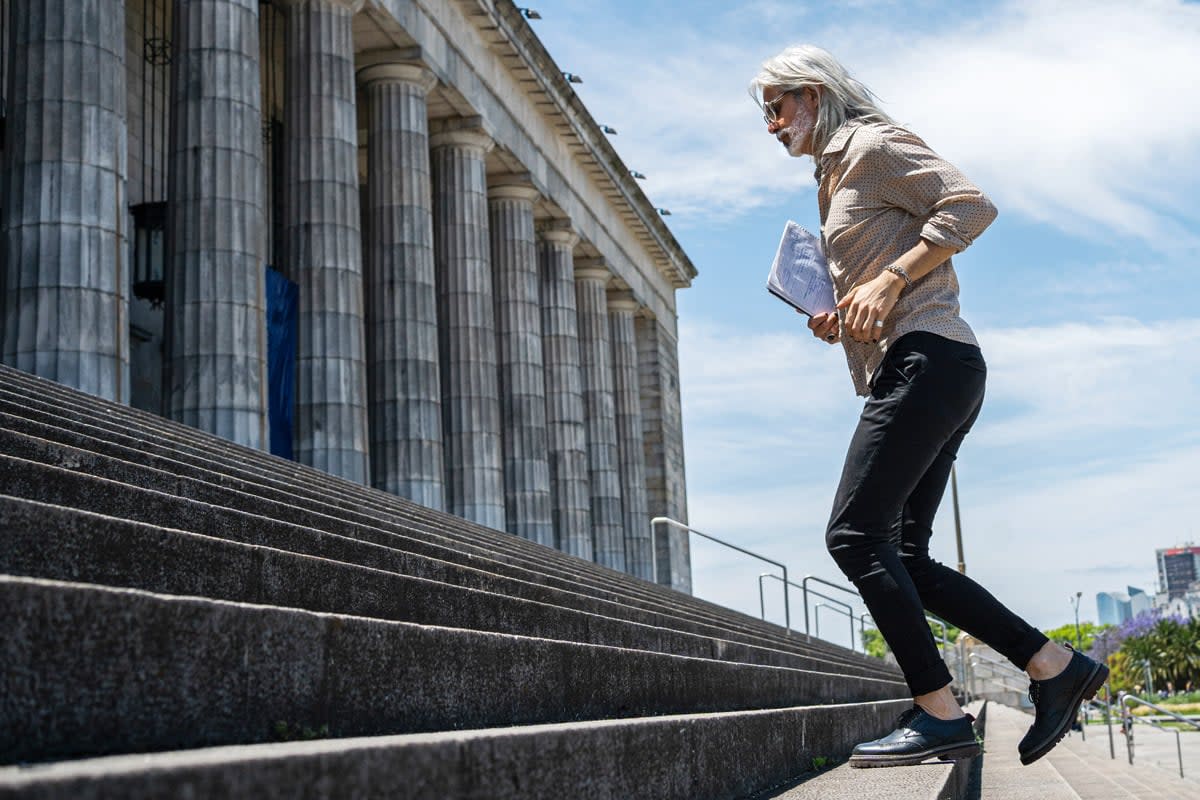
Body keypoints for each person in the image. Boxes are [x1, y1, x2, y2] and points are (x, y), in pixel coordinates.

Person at [750, 45, 1109, 768]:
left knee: (854, 536)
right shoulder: (833, 177)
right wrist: (840, 311)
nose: (769, 124)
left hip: (930, 358)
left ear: (814, 94)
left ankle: (938, 713)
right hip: (921, 365)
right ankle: (1053, 666)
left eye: (776, 105)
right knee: (903, 552)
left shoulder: (874, 144)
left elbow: (972, 205)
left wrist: (887, 278)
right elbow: (882, 280)